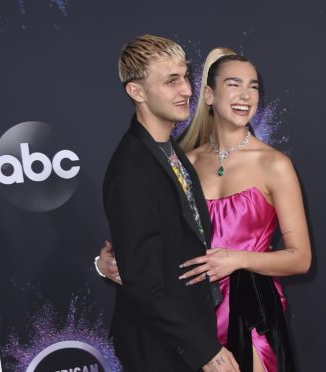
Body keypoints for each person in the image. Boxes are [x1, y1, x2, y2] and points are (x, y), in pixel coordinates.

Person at [98, 47, 312, 371]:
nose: (245, 95)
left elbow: (301, 258)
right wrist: (108, 264)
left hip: (248, 307)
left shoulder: (275, 165)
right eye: (234, 84)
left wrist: (236, 259)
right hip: (190, 317)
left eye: (253, 86)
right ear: (209, 95)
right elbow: (146, 240)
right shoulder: (182, 161)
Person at [101, 35, 239, 372]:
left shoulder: (168, 149)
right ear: (137, 92)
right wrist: (206, 350)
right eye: (171, 81)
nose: (187, 91)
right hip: (158, 348)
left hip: (184, 332)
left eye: (185, 77)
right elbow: (145, 285)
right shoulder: (132, 168)